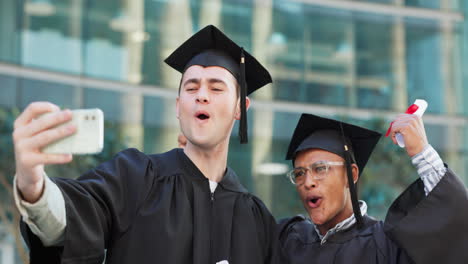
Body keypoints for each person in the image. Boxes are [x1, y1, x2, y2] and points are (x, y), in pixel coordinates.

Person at [13, 25, 278, 263]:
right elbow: (72, 220)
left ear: (240, 108)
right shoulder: (136, 177)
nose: (202, 96)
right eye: (191, 88)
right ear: (178, 106)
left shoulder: (255, 219)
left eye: (216, 88)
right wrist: (32, 186)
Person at [278, 113, 468, 264]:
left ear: (351, 175)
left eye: (320, 168)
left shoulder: (386, 245)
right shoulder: (288, 239)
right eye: (299, 173)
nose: (308, 182)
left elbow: (453, 228)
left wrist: (421, 152)